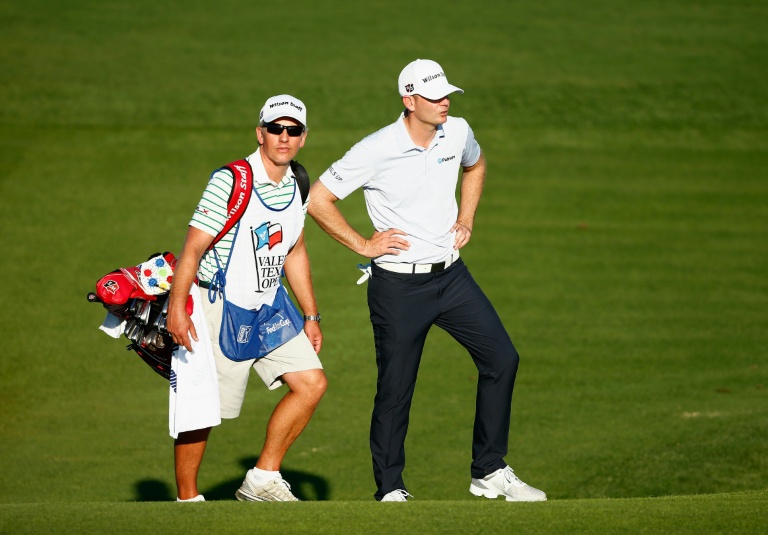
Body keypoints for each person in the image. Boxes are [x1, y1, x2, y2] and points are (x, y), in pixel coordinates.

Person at [308, 60, 546, 502]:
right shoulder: (376, 149)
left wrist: (467, 217)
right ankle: (391, 488)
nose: (445, 102)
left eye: (446, 94)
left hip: (452, 278)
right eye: (435, 96)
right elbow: (318, 198)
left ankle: (489, 471)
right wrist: (363, 245)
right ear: (408, 100)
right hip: (398, 288)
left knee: (502, 359)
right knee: (396, 392)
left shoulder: (456, 131)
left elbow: (475, 166)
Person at [167, 94, 327, 502]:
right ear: (261, 133)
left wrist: (311, 315)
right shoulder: (231, 180)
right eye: (276, 129)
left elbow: (294, 249)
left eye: (293, 130)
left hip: (270, 305)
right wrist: (177, 307)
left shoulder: (299, 182)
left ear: (303, 137)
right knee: (203, 412)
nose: (284, 138)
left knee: (311, 383)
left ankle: (261, 478)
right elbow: (192, 249)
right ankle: (188, 500)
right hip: (218, 306)